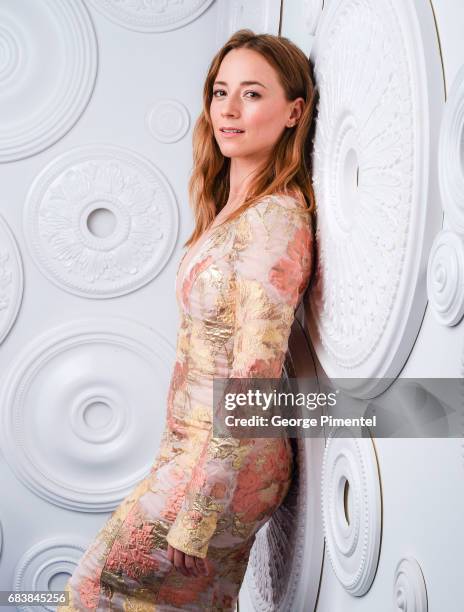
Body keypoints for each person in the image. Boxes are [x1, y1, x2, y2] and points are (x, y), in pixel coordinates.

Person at [58, 28, 317, 611]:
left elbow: (254, 370)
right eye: (220, 91)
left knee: (97, 591)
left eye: (251, 94)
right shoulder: (231, 207)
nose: (228, 109)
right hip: (188, 453)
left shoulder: (274, 219)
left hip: (226, 464)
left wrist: (201, 510)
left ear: (293, 111)